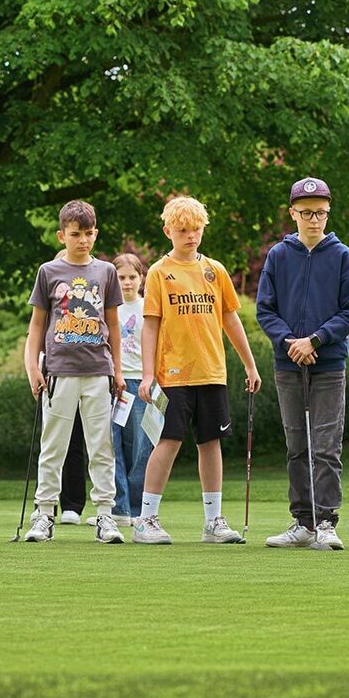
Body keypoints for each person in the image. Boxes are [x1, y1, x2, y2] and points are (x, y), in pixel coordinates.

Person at [133, 196, 261, 545]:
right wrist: (148, 374)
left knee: (210, 442)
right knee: (169, 441)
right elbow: (150, 326)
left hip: (212, 372)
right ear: (168, 232)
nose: (191, 236)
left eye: (196, 229)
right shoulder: (159, 272)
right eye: (183, 230)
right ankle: (146, 520)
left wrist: (249, 364)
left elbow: (230, 319)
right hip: (172, 375)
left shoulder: (215, 271)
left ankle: (213, 521)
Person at [255, 177, 349, 551]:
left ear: (328, 213)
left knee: (326, 446)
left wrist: (315, 339)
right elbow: (265, 309)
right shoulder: (278, 255)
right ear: (293, 213)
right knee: (297, 446)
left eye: (320, 212)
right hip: (288, 363)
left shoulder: (342, 256)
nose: (313, 219)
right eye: (306, 212)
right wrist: (291, 343)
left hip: (328, 363)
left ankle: (326, 522)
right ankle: (303, 522)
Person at [23, 200, 125, 543]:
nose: (83, 240)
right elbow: (37, 325)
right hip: (59, 371)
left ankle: (105, 515)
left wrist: (118, 371)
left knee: (101, 446)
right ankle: (44, 513)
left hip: (98, 370)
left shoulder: (106, 272)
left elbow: (113, 325)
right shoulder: (48, 272)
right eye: (76, 234)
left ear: (96, 234)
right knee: (53, 445)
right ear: (61, 235)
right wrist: (32, 367)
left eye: (89, 233)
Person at [111, 252, 154, 524]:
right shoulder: (109, 308)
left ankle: (137, 508)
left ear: (141, 278)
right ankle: (119, 507)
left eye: (131, 277)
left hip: (140, 383)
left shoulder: (148, 307)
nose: (126, 283)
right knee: (112, 447)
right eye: (121, 277)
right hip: (113, 383)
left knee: (140, 448)